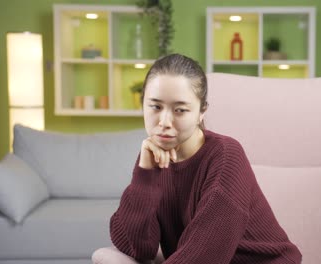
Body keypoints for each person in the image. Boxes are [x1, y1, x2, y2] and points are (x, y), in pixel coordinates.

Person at [92, 54, 302, 264]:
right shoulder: (153, 157)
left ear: (202, 112)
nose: (164, 122)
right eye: (155, 106)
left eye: (180, 110)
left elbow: (204, 256)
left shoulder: (226, 156)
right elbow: (137, 247)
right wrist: (144, 177)